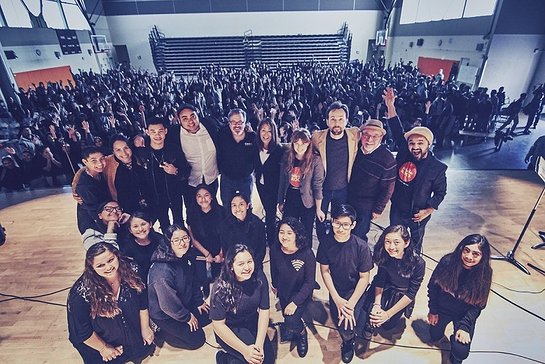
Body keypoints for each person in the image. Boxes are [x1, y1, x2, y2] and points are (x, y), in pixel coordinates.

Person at [67, 242, 155, 364]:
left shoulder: (132, 269)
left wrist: (145, 328)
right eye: (100, 265)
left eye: (110, 260)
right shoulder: (80, 294)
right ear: (91, 267)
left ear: (117, 256)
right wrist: (103, 348)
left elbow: (143, 302)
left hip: (130, 331)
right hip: (99, 342)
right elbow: (82, 332)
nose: (108, 267)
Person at [383, 87, 448, 253]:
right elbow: (397, 131)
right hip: (398, 208)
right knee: (395, 238)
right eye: (412, 143)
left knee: (415, 245)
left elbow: (440, 193)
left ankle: (413, 265)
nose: (415, 147)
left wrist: (428, 210)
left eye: (420, 143)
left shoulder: (437, 168)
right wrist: (391, 106)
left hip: (418, 213)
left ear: (428, 144)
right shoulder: (405, 153)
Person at [317, 204, 373, 363]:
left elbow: (364, 278)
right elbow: (325, 271)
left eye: (345, 225)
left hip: (356, 291)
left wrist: (350, 304)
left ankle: (349, 340)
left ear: (353, 225)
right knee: (343, 321)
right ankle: (349, 338)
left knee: (349, 320)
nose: (340, 228)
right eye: (337, 223)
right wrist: (336, 298)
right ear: (332, 221)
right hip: (337, 291)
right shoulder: (326, 243)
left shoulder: (361, 246)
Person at [427, 234, 493, 364]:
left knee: (460, 353)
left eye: (476, 254)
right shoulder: (447, 261)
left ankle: (455, 343)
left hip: (463, 315)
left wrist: (464, 326)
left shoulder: (485, 273)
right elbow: (432, 287)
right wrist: (433, 310)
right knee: (434, 336)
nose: (469, 257)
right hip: (442, 309)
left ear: (483, 256)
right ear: (461, 249)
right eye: (466, 251)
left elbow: (478, 305)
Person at [147, 224, 210, 350]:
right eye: (176, 240)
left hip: (183, 301)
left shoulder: (185, 255)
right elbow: (167, 304)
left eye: (185, 238)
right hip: (166, 314)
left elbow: (193, 281)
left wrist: (199, 301)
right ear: (168, 242)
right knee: (197, 340)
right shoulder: (162, 272)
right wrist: (187, 317)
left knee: (208, 315)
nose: (182, 243)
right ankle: (161, 331)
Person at [210, 244, 275, 364]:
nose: (247, 267)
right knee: (248, 360)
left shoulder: (259, 276)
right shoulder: (219, 287)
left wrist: (259, 345)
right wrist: (245, 350)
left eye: (249, 261)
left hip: (252, 322)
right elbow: (218, 325)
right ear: (231, 266)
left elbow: (264, 310)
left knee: (266, 360)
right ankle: (223, 358)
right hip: (230, 328)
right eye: (241, 264)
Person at [363, 225, 425, 339]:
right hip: (385, 287)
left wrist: (387, 314)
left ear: (406, 243)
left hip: (402, 294)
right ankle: (370, 323)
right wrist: (377, 305)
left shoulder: (419, 263)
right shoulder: (384, 255)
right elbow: (380, 280)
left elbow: (411, 293)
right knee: (370, 311)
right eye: (387, 242)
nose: (391, 247)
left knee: (388, 326)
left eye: (396, 242)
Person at [312, 101, 360, 243]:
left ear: (346, 121)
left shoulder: (354, 135)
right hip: (323, 189)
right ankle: (323, 243)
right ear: (327, 121)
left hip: (343, 188)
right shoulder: (317, 138)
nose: (336, 123)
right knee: (320, 219)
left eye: (340, 119)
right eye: (333, 119)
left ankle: (335, 243)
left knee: (339, 218)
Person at [270, 217, 316, 357]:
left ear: (297, 234)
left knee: (291, 320)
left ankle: (302, 333)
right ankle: (293, 327)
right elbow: (274, 270)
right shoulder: (275, 249)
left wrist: (295, 302)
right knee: (286, 316)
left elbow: (310, 283)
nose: (284, 236)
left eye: (289, 233)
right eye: (281, 232)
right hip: (284, 290)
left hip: (300, 293)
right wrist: (274, 285)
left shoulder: (306, 253)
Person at [136, 117, 190, 230]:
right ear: (147, 132)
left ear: (165, 131)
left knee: (179, 222)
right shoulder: (142, 152)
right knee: (164, 224)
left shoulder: (174, 149)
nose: (157, 135)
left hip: (174, 194)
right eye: (153, 132)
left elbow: (187, 171)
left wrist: (175, 171)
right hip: (155, 197)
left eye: (160, 131)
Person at [348, 120, 396, 241]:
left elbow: (388, 188)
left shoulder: (387, 159)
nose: (369, 139)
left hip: (367, 204)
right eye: (366, 135)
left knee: (359, 234)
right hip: (348, 197)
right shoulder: (355, 149)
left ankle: (358, 257)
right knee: (346, 230)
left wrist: (378, 209)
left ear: (381, 137)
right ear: (361, 135)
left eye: (375, 136)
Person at [278, 128, 325, 241]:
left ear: (308, 143)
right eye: (296, 143)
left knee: (306, 231)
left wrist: (319, 208)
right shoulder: (287, 156)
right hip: (291, 197)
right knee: (289, 228)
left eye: (303, 143)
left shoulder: (315, 160)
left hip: (307, 200)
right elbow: (282, 181)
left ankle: (305, 255)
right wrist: (280, 201)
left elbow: (317, 185)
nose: (299, 147)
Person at [168, 103, 221, 204]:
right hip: (189, 182)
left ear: (198, 115)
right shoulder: (174, 133)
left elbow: (225, 131)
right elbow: (157, 136)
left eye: (193, 116)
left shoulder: (210, 124)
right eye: (185, 118)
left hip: (211, 178)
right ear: (179, 121)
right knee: (192, 212)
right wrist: (139, 137)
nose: (190, 121)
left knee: (213, 206)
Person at [187, 184, 227, 295]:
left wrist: (221, 254)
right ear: (195, 198)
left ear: (212, 197)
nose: (203, 199)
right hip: (201, 250)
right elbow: (193, 239)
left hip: (219, 249)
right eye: (199, 196)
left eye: (206, 195)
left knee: (220, 277)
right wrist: (207, 254)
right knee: (202, 278)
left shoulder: (221, 211)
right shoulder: (192, 213)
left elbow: (225, 236)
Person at [254, 118, 286, 246]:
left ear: (274, 133)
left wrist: (281, 197)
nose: (266, 134)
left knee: (271, 214)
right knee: (268, 212)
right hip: (260, 186)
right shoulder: (256, 147)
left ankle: (272, 241)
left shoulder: (279, 150)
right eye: (263, 130)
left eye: (269, 131)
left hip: (274, 188)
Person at [217, 108, 257, 205]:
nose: (237, 125)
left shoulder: (252, 137)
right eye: (233, 122)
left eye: (240, 122)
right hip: (227, 179)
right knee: (227, 206)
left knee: (246, 206)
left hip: (246, 179)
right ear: (229, 123)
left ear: (245, 123)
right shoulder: (222, 135)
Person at [219, 193, 266, 270]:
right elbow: (226, 250)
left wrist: (250, 267)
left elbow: (261, 251)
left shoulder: (257, 224)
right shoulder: (225, 225)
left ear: (247, 205)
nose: (237, 209)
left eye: (241, 204)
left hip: (253, 266)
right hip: (234, 267)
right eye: (234, 205)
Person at [120, 211, 167, 282]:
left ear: (150, 224)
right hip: (139, 283)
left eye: (143, 224)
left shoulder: (160, 240)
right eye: (135, 226)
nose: (140, 229)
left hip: (162, 280)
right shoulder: (127, 248)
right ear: (130, 230)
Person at [75, 147, 111, 234]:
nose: (100, 163)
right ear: (85, 162)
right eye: (94, 160)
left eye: (101, 159)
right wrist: (108, 232)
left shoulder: (99, 173)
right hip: (92, 225)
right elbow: (93, 211)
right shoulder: (85, 186)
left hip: (105, 214)